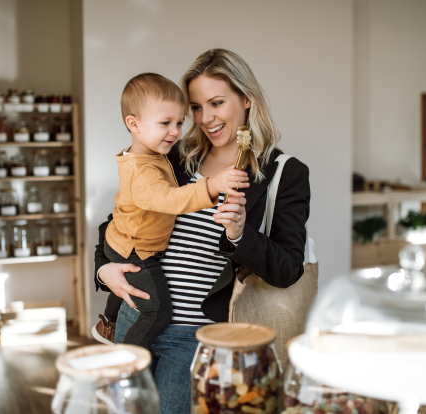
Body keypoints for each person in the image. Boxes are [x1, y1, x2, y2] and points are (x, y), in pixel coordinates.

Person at [94, 49, 310, 414]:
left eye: (216, 102)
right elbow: (118, 223)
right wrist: (103, 270)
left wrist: (241, 235)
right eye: (196, 107)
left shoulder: (284, 172)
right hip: (136, 315)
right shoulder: (174, 157)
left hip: (196, 335)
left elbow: (288, 268)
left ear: (246, 99)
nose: (205, 118)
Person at [93, 72, 249, 349]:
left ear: (247, 100)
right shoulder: (148, 165)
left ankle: (117, 329)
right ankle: (128, 356)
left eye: (179, 122)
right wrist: (213, 186)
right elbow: (167, 201)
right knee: (158, 311)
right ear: (134, 124)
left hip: (192, 325)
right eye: (166, 123)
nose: (176, 132)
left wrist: (238, 234)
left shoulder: (157, 154)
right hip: (135, 250)